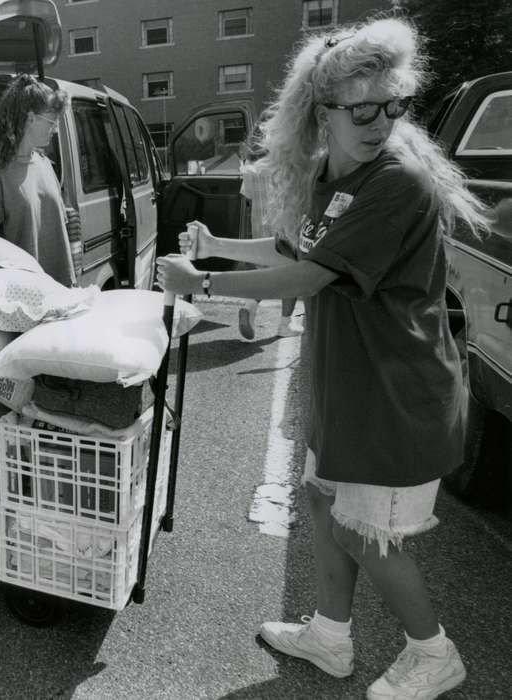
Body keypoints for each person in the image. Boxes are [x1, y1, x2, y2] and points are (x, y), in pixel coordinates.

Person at [158, 18, 489, 700]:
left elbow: (308, 281)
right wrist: (219, 243)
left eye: (394, 106)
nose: (381, 122)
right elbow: (299, 253)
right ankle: (330, 637)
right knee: (321, 499)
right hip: (351, 385)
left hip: (399, 395)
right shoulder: (331, 175)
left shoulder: (395, 181)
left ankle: (434, 656)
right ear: (323, 111)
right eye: (363, 110)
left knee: (371, 536)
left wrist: (204, 285)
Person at [0, 74, 75, 286]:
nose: (56, 129)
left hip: (61, 291)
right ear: (30, 118)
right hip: (24, 297)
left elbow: (61, 232)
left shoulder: (45, 164)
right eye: (52, 121)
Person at [236, 139, 303, 340]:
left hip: (260, 230)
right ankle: (285, 324)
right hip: (284, 229)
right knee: (290, 276)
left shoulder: (250, 171)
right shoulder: (287, 167)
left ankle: (250, 306)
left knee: (265, 273)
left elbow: (246, 201)